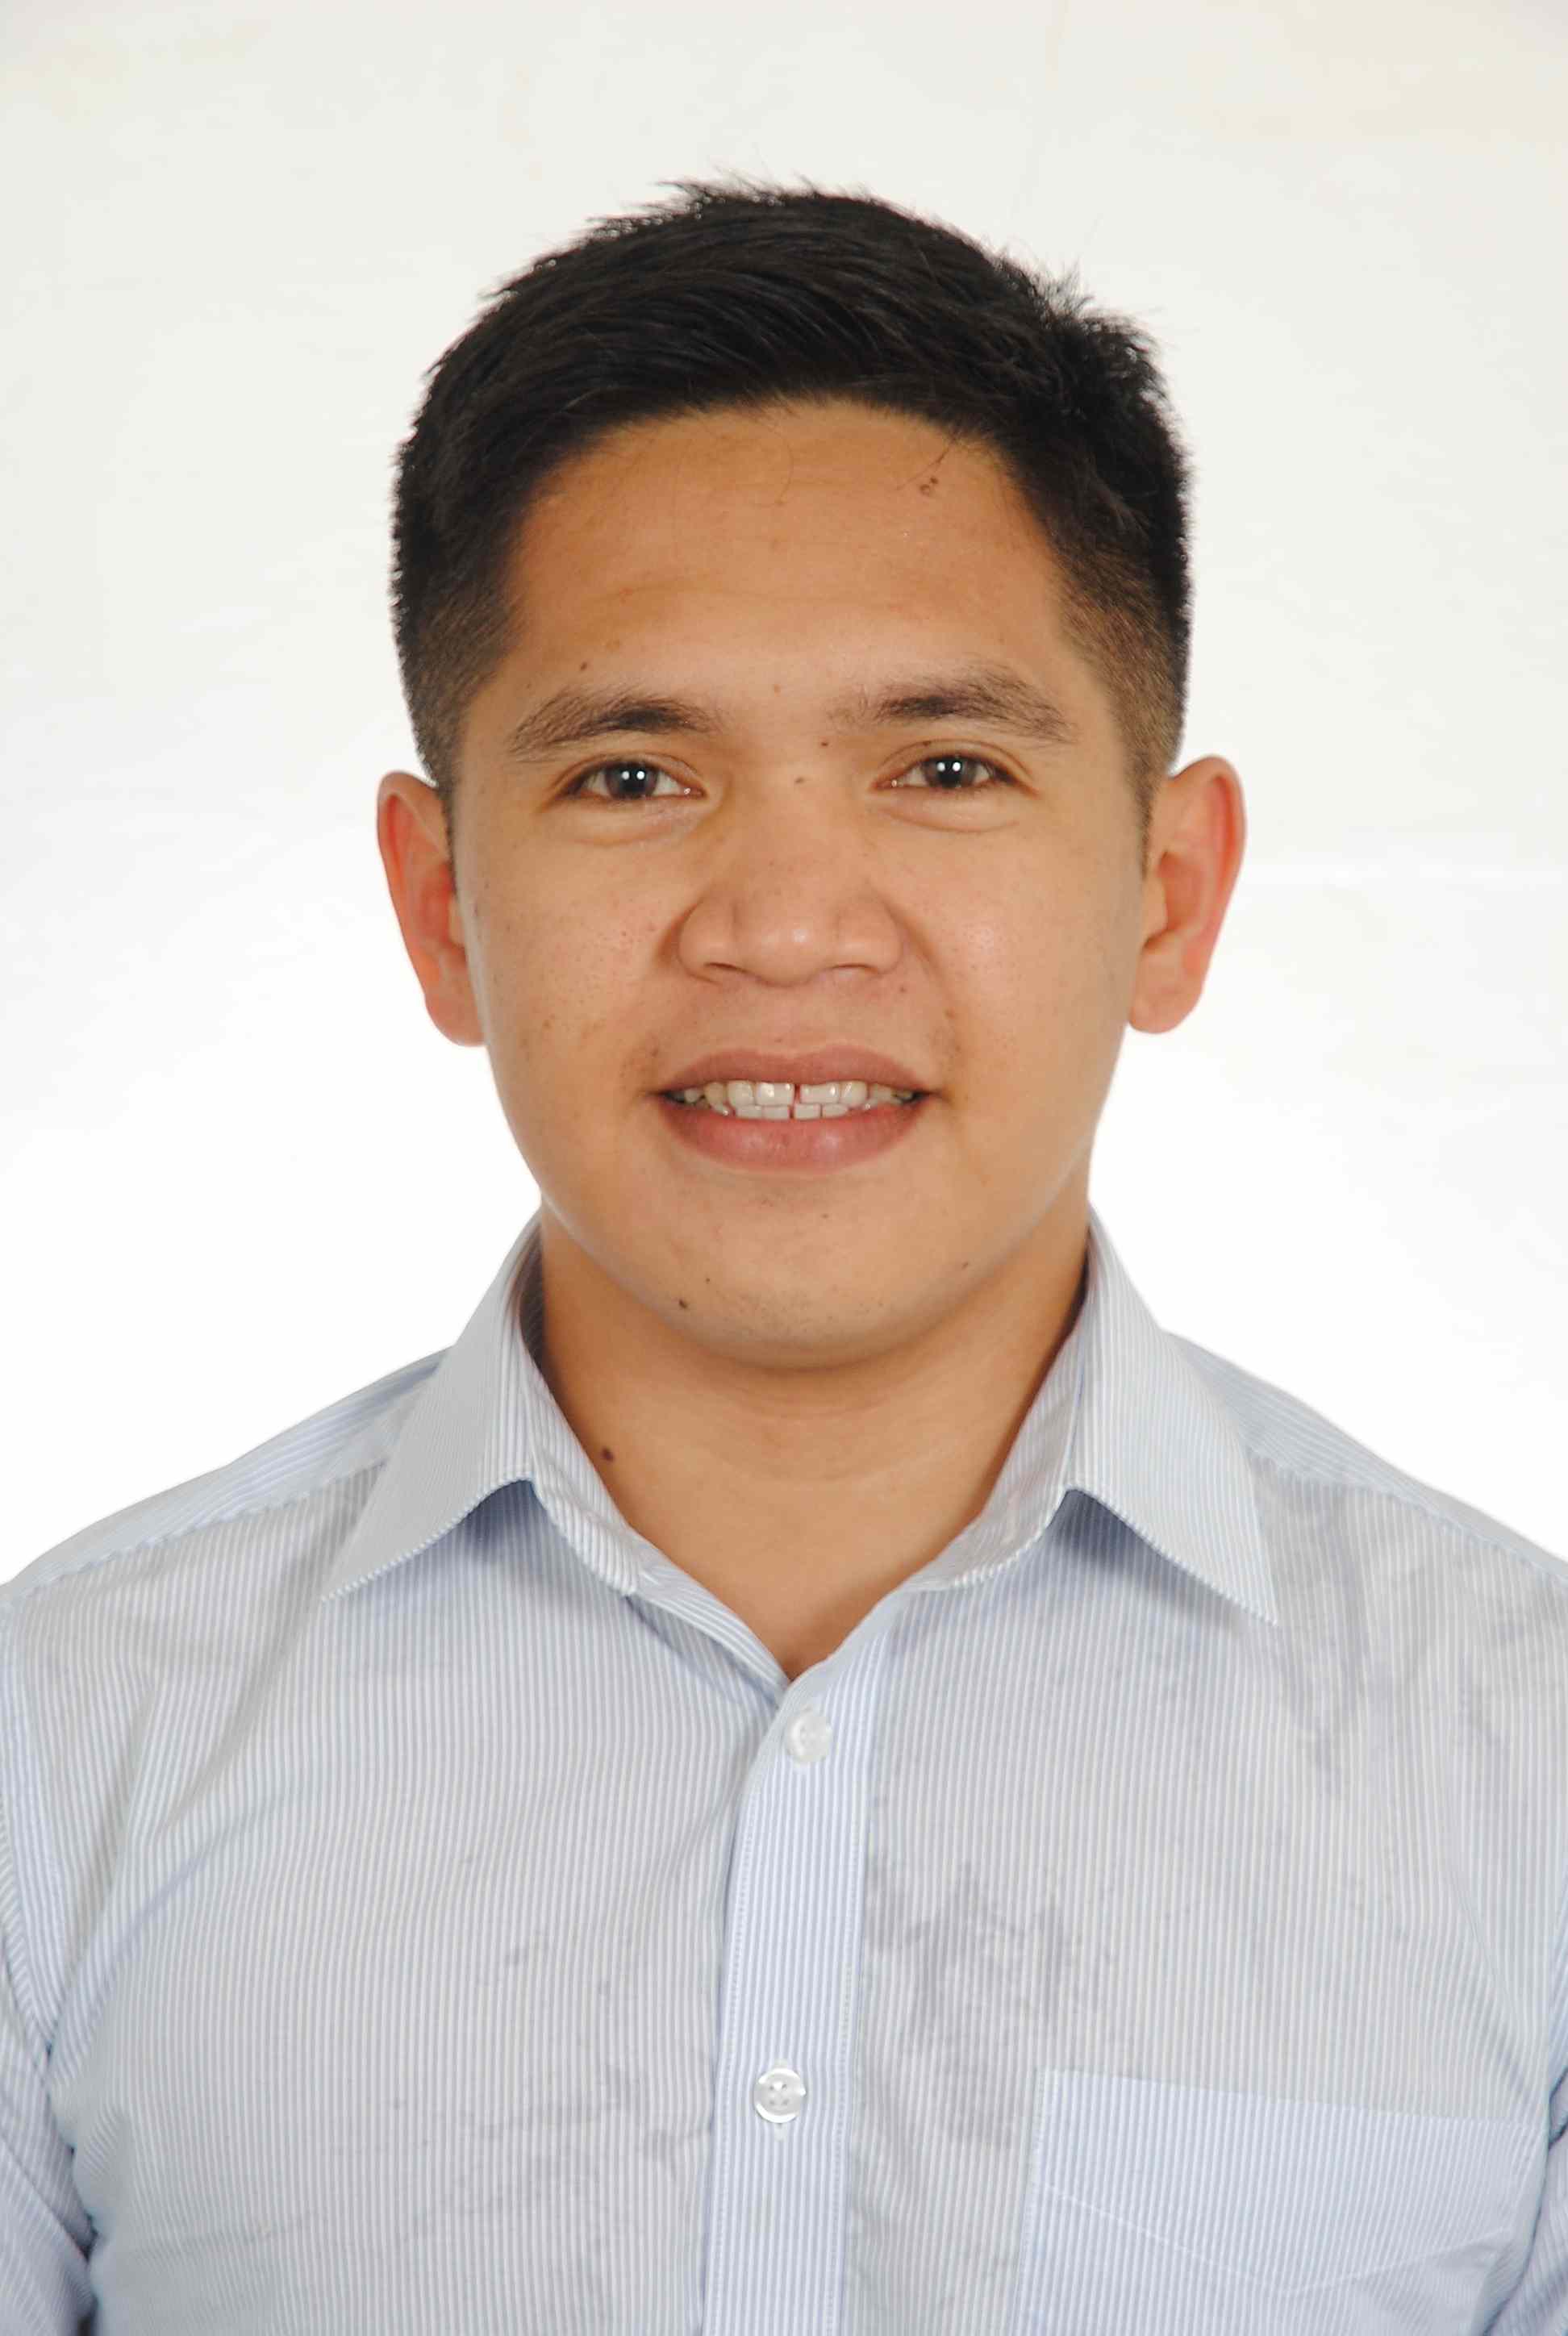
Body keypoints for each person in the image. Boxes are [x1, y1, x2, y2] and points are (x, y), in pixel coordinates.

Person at [3, 175, 1563, 2336]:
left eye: (947, 764)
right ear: (441, 906)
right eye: (634, 775)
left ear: (1170, 891)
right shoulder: (58, 1746)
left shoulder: (1522, 1764)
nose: (788, 925)